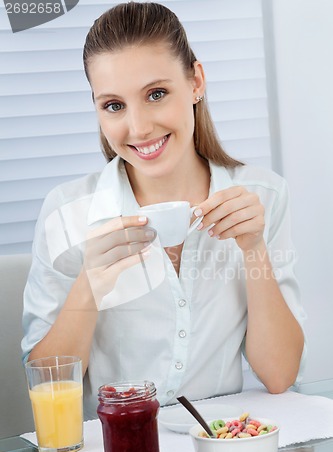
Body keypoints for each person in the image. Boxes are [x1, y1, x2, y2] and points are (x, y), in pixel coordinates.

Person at [22, 1, 306, 420]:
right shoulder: (66, 213)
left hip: (219, 448)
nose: (138, 128)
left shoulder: (262, 195)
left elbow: (280, 375)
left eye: (156, 94)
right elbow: (47, 389)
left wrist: (253, 248)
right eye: (114, 105)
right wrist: (89, 286)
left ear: (196, 82)